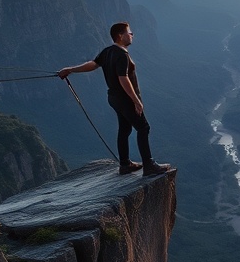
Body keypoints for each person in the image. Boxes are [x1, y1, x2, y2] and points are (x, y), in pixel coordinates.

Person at [58, 22, 170, 176]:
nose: (132, 35)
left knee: (125, 129)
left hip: (114, 98)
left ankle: (125, 165)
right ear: (120, 35)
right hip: (125, 99)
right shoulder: (122, 55)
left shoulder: (108, 51)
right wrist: (136, 100)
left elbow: (93, 64)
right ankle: (148, 165)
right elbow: (123, 78)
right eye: (129, 33)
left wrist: (71, 70)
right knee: (143, 128)